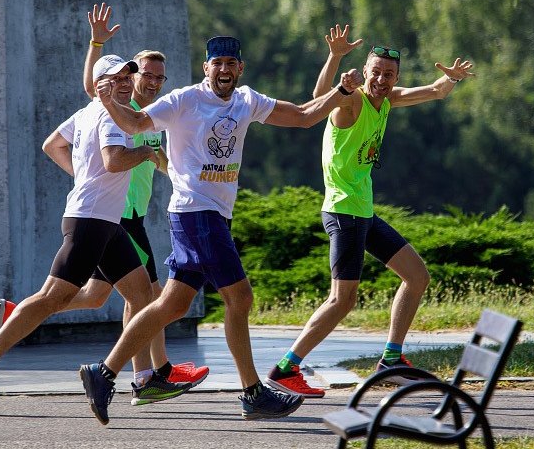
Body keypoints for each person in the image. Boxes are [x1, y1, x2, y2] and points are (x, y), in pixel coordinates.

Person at [77, 33, 364, 425]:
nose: (224, 70)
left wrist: (341, 90)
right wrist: (108, 99)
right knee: (240, 298)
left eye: (231, 64)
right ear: (206, 68)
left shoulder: (247, 100)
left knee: (172, 305)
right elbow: (138, 120)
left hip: (212, 216)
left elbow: (302, 115)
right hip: (196, 212)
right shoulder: (184, 100)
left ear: (239, 68)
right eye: (218, 63)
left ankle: (103, 373)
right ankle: (252, 393)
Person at [0, 4, 208, 390]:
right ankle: (156, 372)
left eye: (158, 77)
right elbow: (96, 108)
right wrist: (96, 43)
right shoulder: (118, 111)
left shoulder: (154, 114)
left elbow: (161, 160)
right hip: (111, 215)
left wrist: (184, 179)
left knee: (96, 296)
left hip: (121, 215)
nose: (151, 82)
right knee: (149, 295)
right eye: (144, 75)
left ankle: (18, 315)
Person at [265, 24, 474, 398]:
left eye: (388, 74)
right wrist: (335, 59)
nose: (380, 79)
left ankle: (391, 361)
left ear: (395, 77)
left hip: (364, 212)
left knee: (417, 276)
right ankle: (285, 369)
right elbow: (317, 98)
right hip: (343, 212)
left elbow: (437, 91)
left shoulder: (389, 100)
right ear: (365, 72)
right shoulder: (353, 101)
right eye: (375, 72)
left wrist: (452, 79)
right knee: (341, 301)